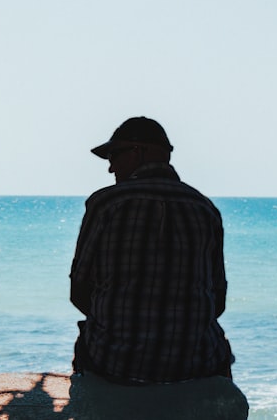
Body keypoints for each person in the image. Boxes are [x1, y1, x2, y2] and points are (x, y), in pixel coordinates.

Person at [69, 116, 234, 386]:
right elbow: (218, 300)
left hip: (113, 362)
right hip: (194, 364)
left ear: (139, 152)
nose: (110, 168)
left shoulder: (106, 204)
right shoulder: (205, 209)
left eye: (114, 155)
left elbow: (79, 292)